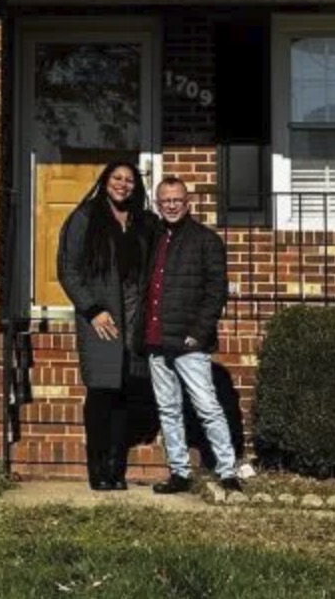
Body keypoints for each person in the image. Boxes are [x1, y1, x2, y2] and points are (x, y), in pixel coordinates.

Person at [57, 160, 153, 491]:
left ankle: (116, 468)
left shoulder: (143, 222)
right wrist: (92, 309)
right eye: (117, 178)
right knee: (101, 393)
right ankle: (97, 470)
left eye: (129, 180)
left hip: (133, 318)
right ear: (105, 180)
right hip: (101, 318)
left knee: (125, 393)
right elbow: (68, 270)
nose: (122, 184)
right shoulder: (84, 218)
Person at [145, 176, 242, 494]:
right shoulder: (153, 239)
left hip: (189, 342)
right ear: (158, 204)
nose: (171, 205)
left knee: (206, 406)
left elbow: (216, 293)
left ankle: (227, 471)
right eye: (165, 200)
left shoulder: (206, 240)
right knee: (168, 409)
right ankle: (179, 472)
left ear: (187, 202)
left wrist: (197, 334)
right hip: (156, 339)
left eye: (176, 199)